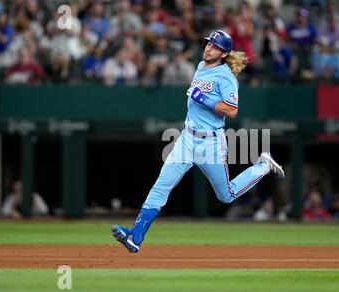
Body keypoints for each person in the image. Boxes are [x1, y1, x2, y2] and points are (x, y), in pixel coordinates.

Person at [112, 30, 285, 253]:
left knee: (226, 195)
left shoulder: (226, 77)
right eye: (207, 44)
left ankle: (263, 165)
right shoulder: (201, 67)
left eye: (214, 46)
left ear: (224, 53)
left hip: (210, 143)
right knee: (161, 186)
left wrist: (204, 99)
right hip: (186, 139)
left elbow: (232, 110)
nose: (208, 48)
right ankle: (136, 236)